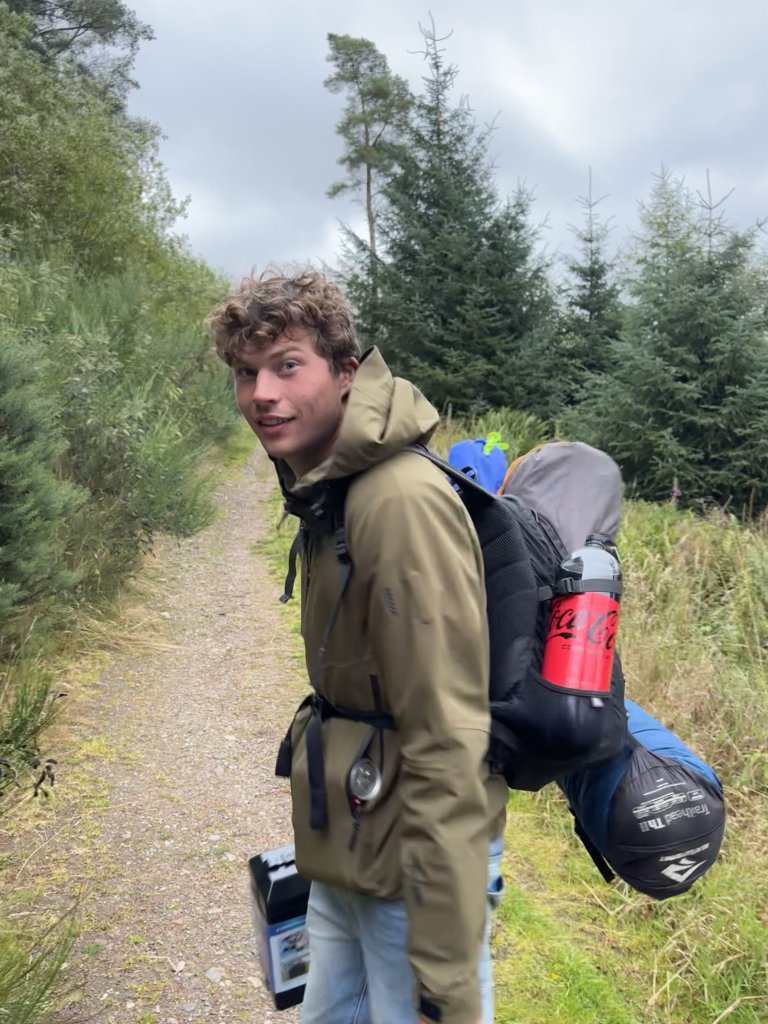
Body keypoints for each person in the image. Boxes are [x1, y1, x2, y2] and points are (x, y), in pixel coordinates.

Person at [208, 268, 506, 1024]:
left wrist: (444, 969)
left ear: (347, 372)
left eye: (287, 366)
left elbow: (448, 734)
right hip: (354, 841)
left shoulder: (397, 501)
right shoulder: (334, 487)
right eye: (246, 373)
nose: (262, 394)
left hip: (414, 862)